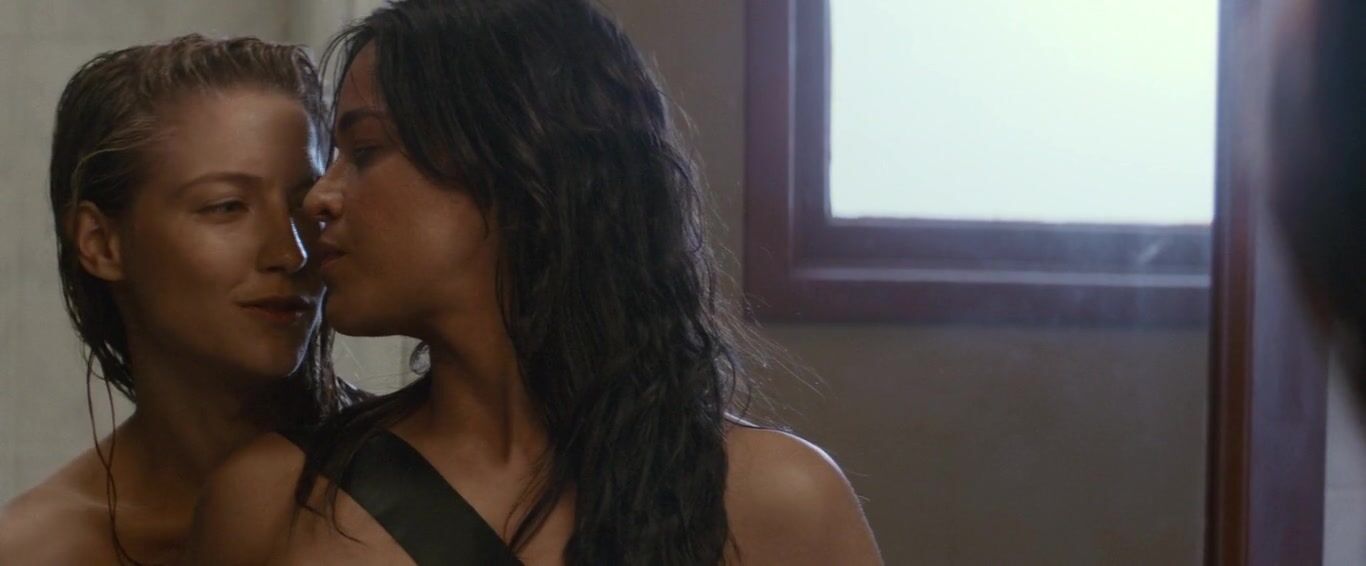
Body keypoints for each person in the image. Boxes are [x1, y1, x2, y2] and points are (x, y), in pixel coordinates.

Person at [182, 1, 883, 564]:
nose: (320, 199)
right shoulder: (272, 505)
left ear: (519, 166)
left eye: (365, 150)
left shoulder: (777, 501)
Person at [0, 35, 363, 565]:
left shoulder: (423, 483)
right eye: (226, 206)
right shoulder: (35, 551)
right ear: (101, 243)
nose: (290, 253)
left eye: (304, 203)